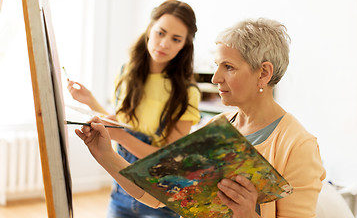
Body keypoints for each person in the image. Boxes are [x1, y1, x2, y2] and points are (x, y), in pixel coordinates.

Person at [75, 18, 326, 218]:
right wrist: (105, 154)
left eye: (228, 66)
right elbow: (157, 194)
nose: (215, 78)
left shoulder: (297, 145)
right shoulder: (216, 127)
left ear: (264, 72)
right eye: (217, 65)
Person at [68, 0, 201, 218]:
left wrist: (122, 137)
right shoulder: (126, 73)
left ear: (184, 45)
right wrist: (90, 101)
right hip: (121, 192)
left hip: (160, 200)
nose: (165, 43)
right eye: (161, 33)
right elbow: (116, 125)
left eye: (176, 39)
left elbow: (167, 160)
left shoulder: (187, 92)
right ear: (150, 30)